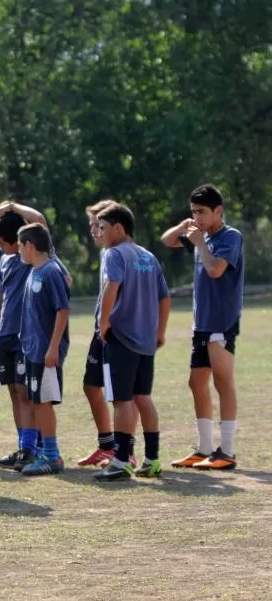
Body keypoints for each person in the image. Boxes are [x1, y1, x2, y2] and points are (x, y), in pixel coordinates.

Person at [162, 183, 244, 470]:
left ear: (218, 211)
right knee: (196, 382)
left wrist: (199, 243)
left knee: (223, 382)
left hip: (222, 321)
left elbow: (215, 270)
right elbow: (167, 240)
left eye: (202, 212)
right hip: (202, 323)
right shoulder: (201, 234)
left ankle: (228, 451)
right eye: (193, 211)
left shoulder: (229, 237)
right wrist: (184, 225)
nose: (197, 217)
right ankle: (205, 448)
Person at [91, 203, 171, 481]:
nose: (99, 232)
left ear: (118, 228)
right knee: (143, 398)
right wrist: (160, 331)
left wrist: (103, 323)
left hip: (121, 338)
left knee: (122, 400)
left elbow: (111, 287)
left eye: (103, 227)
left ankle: (122, 459)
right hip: (146, 340)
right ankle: (152, 459)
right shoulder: (149, 256)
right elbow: (165, 296)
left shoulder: (115, 254)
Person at [0, 202, 48, 471]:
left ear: (19, 241)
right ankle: (23, 446)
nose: (0, 247)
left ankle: (32, 448)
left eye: (3, 242)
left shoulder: (33, 255)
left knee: (26, 392)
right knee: (14, 391)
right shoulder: (3, 258)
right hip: (6, 335)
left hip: (27, 335)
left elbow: (39, 219)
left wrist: (13, 206)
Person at [13, 223, 70, 476]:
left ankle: (51, 456)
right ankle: (43, 452)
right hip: (32, 349)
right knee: (37, 402)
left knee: (44, 402)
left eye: (19, 246)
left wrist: (53, 347)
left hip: (45, 352)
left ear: (30, 245)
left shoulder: (50, 271)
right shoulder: (34, 271)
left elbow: (63, 309)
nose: (18, 251)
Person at [77, 200, 121, 467]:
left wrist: (107, 324)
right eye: (91, 225)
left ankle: (125, 450)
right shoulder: (106, 254)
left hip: (114, 332)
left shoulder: (121, 252)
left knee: (118, 393)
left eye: (98, 225)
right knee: (91, 386)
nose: (94, 230)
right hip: (99, 329)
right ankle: (106, 445)